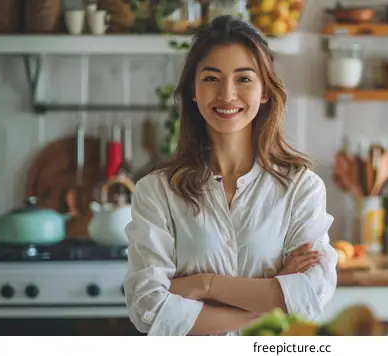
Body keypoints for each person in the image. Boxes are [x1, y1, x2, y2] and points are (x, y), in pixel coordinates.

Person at [123, 15, 337, 336]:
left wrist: (202, 285)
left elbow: (309, 297)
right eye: (211, 78)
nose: (227, 94)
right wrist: (272, 297)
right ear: (193, 91)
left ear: (265, 91)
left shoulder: (300, 188)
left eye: (243, 79)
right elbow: (148, 306)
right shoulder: (156, 192)